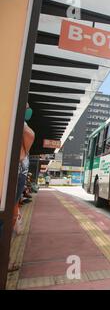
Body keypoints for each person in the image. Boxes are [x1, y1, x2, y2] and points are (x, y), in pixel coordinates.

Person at [9, 103, 34, 272]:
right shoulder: (18, 125)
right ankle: (6, 260)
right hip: (17, 168)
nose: (29, 109)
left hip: (18, 168)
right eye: (26, 107)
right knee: (10, 211)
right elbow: (28, 135)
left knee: (13, 209)